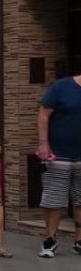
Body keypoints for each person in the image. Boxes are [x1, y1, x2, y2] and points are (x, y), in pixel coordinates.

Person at [36, 72, 81, 258]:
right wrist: (43, 143)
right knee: (55, 199)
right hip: (57, 153)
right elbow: (43, 114)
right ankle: (50, 239)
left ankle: (79, 240)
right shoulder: (61, 87)